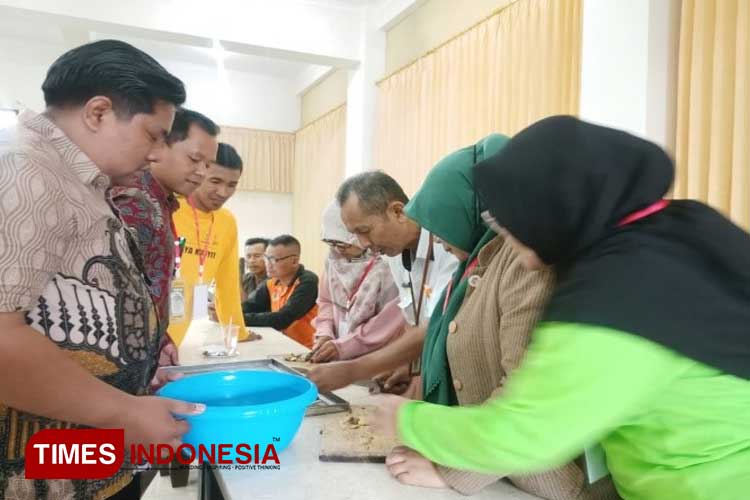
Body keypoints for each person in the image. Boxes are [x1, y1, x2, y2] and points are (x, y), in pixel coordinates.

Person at [374, 116, 750, 500]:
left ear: (549, 209)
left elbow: (529, 432)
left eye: (510, 225)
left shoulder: (621, 292)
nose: (513, 248)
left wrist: (406, 420)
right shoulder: (678, 226)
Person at [0, 40, 203, 500]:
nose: (155, 154)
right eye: (153, 134)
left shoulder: (75, 176)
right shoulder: (23, 168)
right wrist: (123, 412)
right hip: (38, 470)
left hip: (77, 452)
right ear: (98, 112)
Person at [383, 135, 618, 499]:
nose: (439, 239)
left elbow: (524, 391)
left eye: (442, 221)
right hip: (504, 471)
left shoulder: (527, 259)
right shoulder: (481, 259)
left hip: (549, 480)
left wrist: (451, 468)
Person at [308, 171, 458, 393]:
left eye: (364, 231)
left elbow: (433, 325)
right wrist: (408, 365)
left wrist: (353, 370)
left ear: (397, 211)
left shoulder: (448, 246)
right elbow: (413, 318)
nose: (363, 243)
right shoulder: (394, 254)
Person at [111, 108, 220, 368]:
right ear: (159, 146)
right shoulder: (133, 203)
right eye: (195, 159)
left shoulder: (163, 203)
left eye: (207, 165)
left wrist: (161, 341)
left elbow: (149, 290)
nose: (202, 172)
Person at [168, 142, 248, 346]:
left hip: (175, 339)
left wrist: (238, 332)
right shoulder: (168, 207)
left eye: (232, 185)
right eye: (215, 181)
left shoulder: (226, 222)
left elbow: (228, 282)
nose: (223, 192)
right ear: (199, 173)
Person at [310, 201, 403, 363]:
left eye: (343, 243)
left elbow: (389, 320)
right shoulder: (333, 262)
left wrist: (344, 346)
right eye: (331, 242)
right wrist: (325, 334)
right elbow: (326, 302)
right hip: (339, 352)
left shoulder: (389, 264)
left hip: (379, 356)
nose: (338, 249)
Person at [243, 235, 319, 348]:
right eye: (266, 258)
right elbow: (250, 305)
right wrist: (226, 312)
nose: (268, 264)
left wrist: (238, 318)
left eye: (274, 259)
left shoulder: (308, 281)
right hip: (282, 346)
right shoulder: (272, 282)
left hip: (307, 349)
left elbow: (283, 319)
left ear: (294, 261)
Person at [241, 237, 269, 302]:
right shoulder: (245, 278)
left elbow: (247, 306)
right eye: (248, 256)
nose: (252, 261)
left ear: (268, 257)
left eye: (257, 256)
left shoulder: (275, 281)